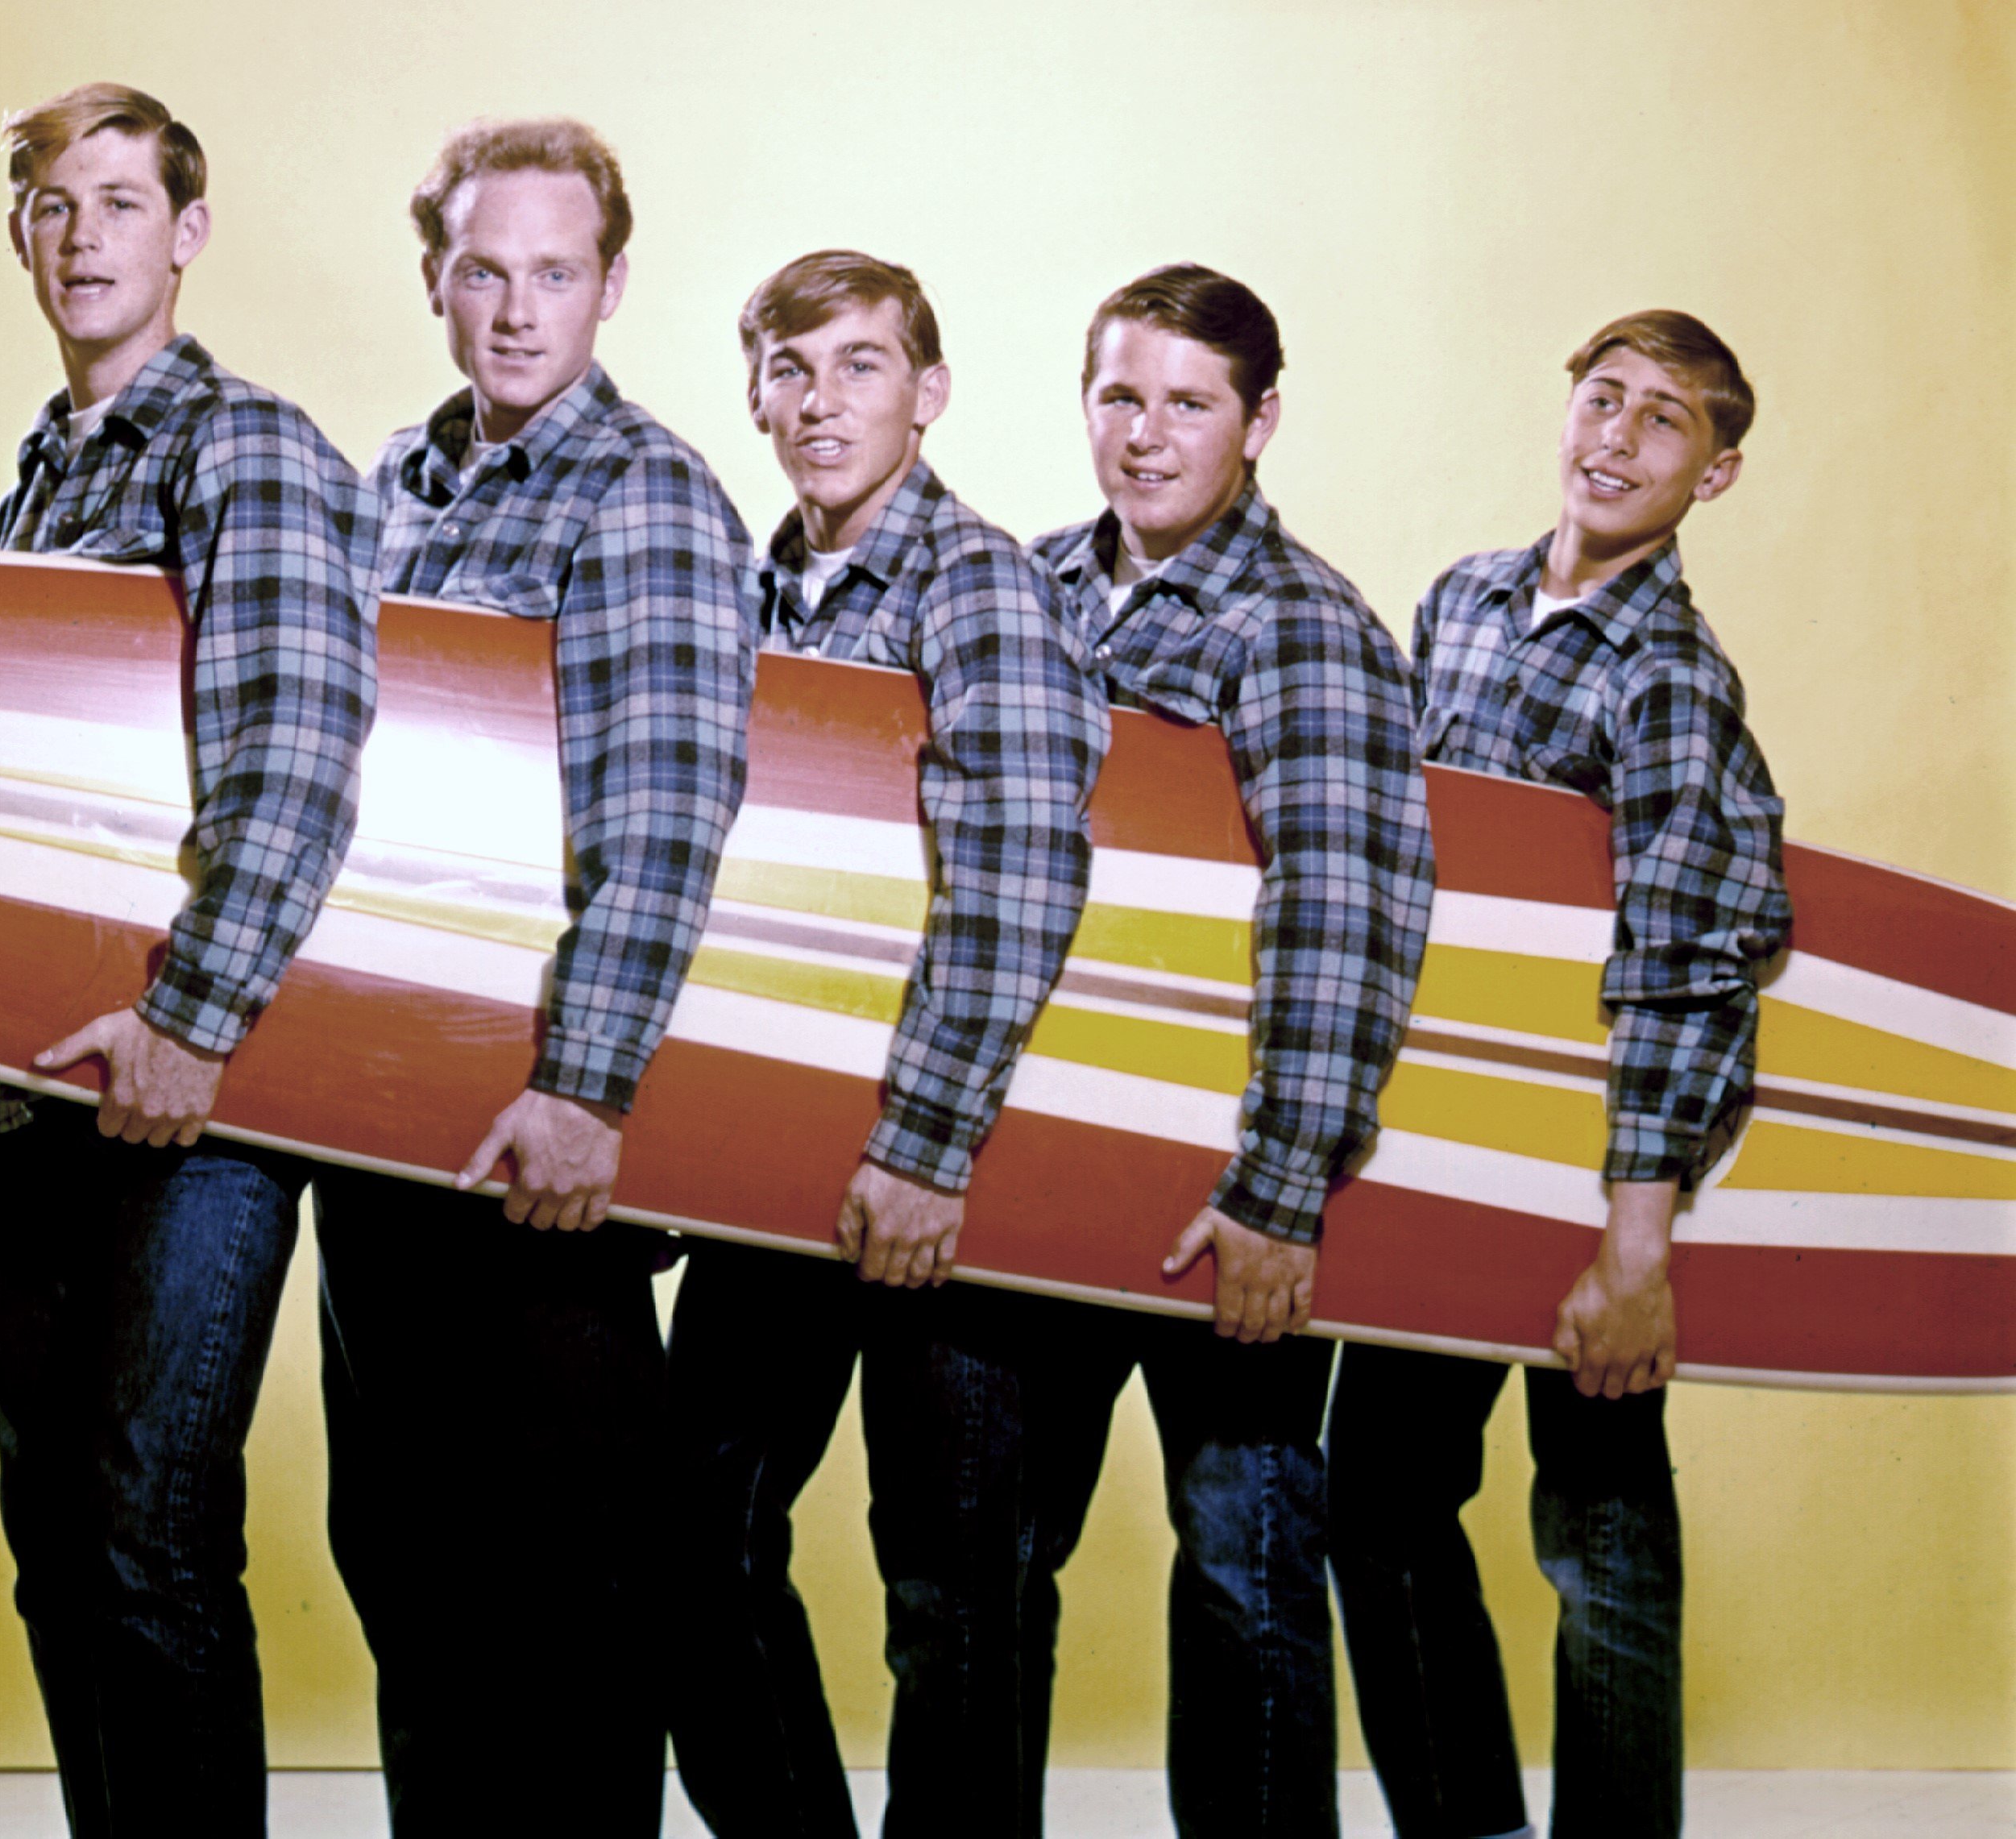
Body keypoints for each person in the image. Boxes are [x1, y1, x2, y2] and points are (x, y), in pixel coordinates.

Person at [0, 83, 379, 1837]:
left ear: (184, 235)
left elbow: (300, 753)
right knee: (56, 1536)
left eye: (120, 200)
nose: (82, 232)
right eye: (51, 201)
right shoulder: (27, 496)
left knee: (145, 1529)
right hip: (39, 1092)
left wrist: (192, 1024)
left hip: (201, 1095)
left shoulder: (244, 449)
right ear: (20, 234)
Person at [314, 118, 755, 1837]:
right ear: (437, 279)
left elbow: (665, 812)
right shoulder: (386, 489)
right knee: (410, 1577)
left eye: (555, 273)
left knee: (570, 1600)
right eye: (484, 270)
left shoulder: (641, 490)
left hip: (538, 1134)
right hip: (378, 1132)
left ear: (612, 285)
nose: (516, 309)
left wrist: (587, 1087)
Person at [1325, 311, 1791, 1839]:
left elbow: (1686, 962)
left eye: (1665, 423)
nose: (1617, 438)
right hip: (1447, 1150)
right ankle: (1467, 1822)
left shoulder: (1670, 678)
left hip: (1598, 1163)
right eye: (1604, 399)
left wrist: (1635, 1245)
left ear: (1711, 476)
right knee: (1381, 1498)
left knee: (1600, 1535)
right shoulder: (1460, 600)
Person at [666, 251, 1107, 1837]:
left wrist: (924, 1152)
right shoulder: (743, 590)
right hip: (778, 1171)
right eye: (790, 371)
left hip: (948, 1171)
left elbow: (1021, 868)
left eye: (858, 366)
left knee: (952, 1591)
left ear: (925, 391)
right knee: (685, 1533)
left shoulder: (977, 583)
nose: (818, 402)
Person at [1020, 264, 1435, 1838]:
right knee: (989, 1559)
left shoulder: (1303, 626)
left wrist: (1279, 1190)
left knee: (1248, 1564)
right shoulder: (1030, 587)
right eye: (1120, 395)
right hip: (1042, 1174)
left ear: (1258, 423)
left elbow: (1346, 910)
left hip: (1222, 1194)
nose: (1145, 434)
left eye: (1188, 403)